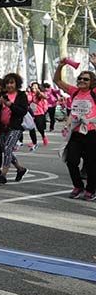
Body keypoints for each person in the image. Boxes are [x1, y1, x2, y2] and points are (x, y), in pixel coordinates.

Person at [53, 56, 96, 200]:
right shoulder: (75, 92)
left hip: (91, 132)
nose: (81, 81)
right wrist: (61, 66)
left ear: (92, 82)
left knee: (91, 164)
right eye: (80, 79)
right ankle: (78, 186)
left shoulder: (94, 92)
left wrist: (95, 65)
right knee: (71, 160)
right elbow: (57, 81)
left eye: (85, 79)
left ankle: (91, 190)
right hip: (76, 133)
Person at [0, 72, 29, 186]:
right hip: (2, 127)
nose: (9, 85)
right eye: (7, 83)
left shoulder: (21, 95)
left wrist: (9, 104)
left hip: (15, 127)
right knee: (6, 151)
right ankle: (20, 169)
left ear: (17, 84)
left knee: (7, 148)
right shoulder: (2, 94)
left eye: (12, 83)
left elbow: (23, 111)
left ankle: (3, 175)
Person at [26, 82, 49, 149]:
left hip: (39, 113)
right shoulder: (30, 94)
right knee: (31, 128)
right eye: (33, 87)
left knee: (40, 128)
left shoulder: (40, 94)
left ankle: (43, 136)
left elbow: (45, 97)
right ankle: (34, 142)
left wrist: (38, 92)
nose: (34, 88)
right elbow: (28, 100)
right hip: (31, 114)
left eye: (36, 87)